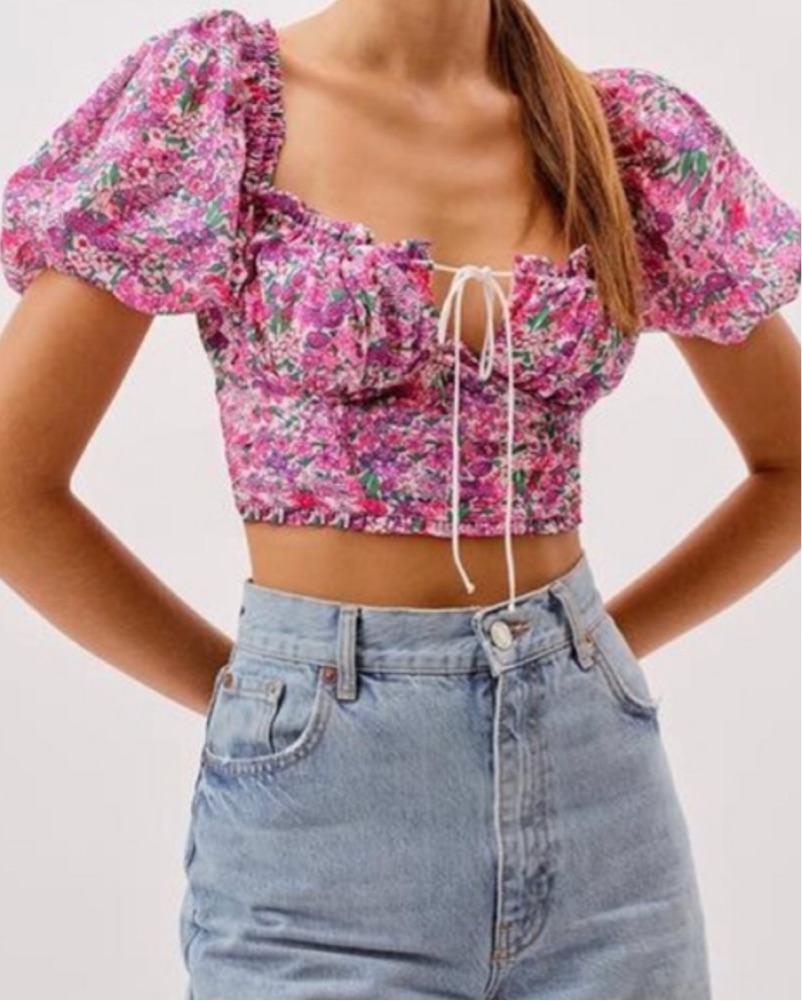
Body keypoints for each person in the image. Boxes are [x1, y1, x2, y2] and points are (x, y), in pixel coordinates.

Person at [0, 1, 799, 998]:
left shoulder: (618, 137)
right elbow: (14, 484)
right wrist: (252, 688)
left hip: (605, 831)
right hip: (318, 840)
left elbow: (787, 464)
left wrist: (589, 653)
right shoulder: (221, 100)